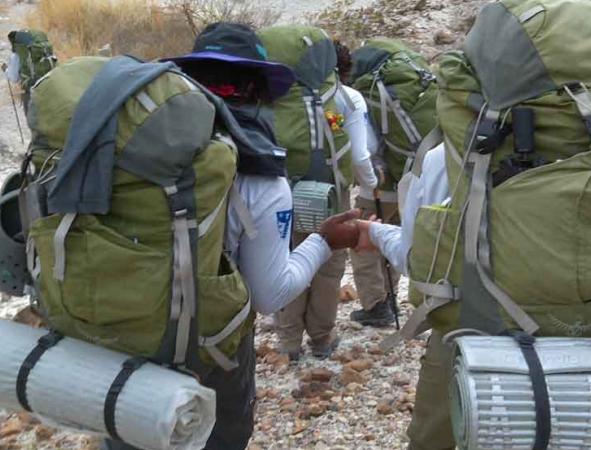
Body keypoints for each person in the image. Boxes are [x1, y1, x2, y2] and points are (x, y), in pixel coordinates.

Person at [101, 23, 361, 450]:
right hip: (212, 352)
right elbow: (268, 294)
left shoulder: (126, 153)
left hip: (117, 339)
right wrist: (324, 241)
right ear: (260, 93)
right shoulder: (261, 181)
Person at [273, 40, 380, 362]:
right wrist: (370, 186)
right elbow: (360, 156)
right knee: (328, 268)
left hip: (285, 192)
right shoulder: (348, 98)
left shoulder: (275, 95)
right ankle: (321, 338)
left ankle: (289, 343)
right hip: (334, 192)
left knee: (290, 261)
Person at [354, 143, 452, 450]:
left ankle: (376, 305)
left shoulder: (444, 154)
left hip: (463, 327)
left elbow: (415, 259)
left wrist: (375, 233)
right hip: (586, 330)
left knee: (431, 440)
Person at [336, 40, 403, 328]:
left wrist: (368, 179)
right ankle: (391, 299)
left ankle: (376, 306)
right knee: (393, 237)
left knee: (364, 246)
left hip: (376, 186)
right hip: (405, 179)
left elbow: (365, 148)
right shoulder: (393, 94)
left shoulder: (356, 97)